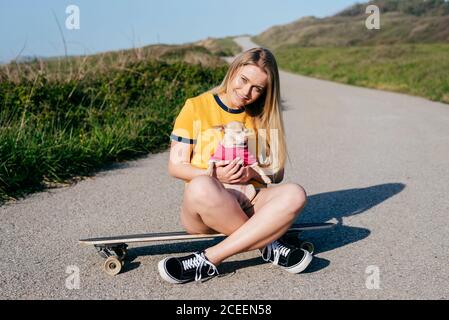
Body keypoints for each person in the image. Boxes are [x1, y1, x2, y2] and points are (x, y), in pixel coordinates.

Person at [158, 47, 311, 284]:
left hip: (250, 201)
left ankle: (209, 259)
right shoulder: (195, 107)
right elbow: (175, 166)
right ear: (233, 71)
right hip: (206, 209)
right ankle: (269, 244)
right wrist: (213, 174)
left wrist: (250, 171)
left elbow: (277, 174)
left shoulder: (264, 116)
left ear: (265, 91)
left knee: (295, 194)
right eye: (244, 80)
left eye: (257, 88)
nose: (246, 92)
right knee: (201, 186)